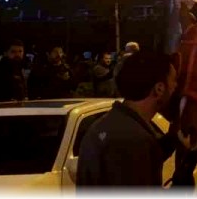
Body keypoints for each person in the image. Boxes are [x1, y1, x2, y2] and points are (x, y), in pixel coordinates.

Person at [76, 50, 178, 189]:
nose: (176, 87)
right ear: (159, 89)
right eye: (174, 80)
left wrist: (174, 138)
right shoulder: (131, 141)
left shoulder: (107, 125)